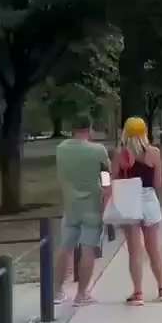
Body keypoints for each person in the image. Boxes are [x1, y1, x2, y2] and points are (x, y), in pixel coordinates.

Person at [53, 113, 110, 306]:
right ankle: (81, 294)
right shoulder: (98, 150)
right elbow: (106, 178)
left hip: (70, 206)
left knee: (65, 249)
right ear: (90, 128)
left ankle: (57, 291)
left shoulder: (61, 149)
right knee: (88, 251)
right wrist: (107, 198)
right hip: (93, 206)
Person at [115, 117, 162, 306]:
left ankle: (138, 293)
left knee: (134, 251)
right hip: (149, 200)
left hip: (129, 202)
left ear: (125, 133)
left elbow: (115, 180)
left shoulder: (120, 154)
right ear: (144, 132)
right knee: (153, 248)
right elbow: (157, 183)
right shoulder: (154, 153)